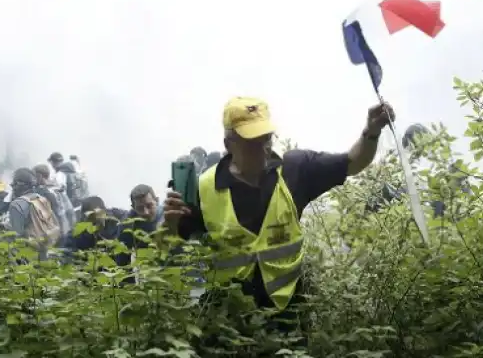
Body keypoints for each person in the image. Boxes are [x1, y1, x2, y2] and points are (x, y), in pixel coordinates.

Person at [163, 96, 393, 319]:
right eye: (253, 141)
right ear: (229, 145)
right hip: (228, 320)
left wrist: (371, 132)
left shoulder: (296, 170)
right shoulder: (205, 188)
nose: (263, 147)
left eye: (266, 138)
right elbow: (171, 247)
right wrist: (170, 224)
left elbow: (353, 162)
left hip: (288, 315)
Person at [8, 168, 61, 253]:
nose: (12, 186)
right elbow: (55, 223)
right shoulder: (41, 198)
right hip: (48, 248)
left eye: (14, 183)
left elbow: (17, 235)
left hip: (30, 252)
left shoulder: (16, 204)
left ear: (21, 185)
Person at [33, 164, 73, 241]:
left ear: (39, 176)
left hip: (50, 230)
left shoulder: (43, 191)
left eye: (34, 176)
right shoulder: (56, 188)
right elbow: (63, 212)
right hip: (59, 228)